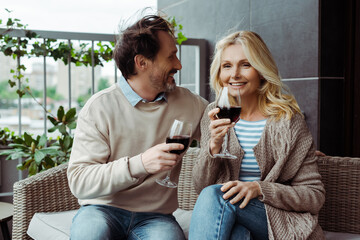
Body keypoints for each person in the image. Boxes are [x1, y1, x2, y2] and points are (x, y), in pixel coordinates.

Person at [67, 14, 208, 240]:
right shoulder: (100, 107)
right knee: (90, 235)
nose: (179, 65)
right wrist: (140, 164)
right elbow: (79, 181)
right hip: (101, 210)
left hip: (156, 216)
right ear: (141, 62)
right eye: (171, 57)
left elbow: (223, 130)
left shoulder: (189, 103)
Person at [188, 31, 325, 240]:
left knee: (218, 195)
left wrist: (259, 189)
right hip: (230, 216)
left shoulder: (287, 120)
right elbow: (200, 188)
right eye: (227, 66)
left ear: (261, 70)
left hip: (278, 220)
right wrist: (213, 147)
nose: (234, 74)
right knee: (236, 233)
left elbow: (314, 196)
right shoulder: (214, 114)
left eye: (245, 64)